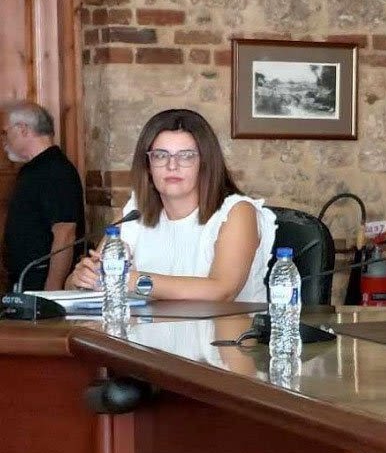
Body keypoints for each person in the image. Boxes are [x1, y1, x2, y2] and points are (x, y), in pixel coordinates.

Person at [67, 108, 276, 302]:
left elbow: (222, 290)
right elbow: (87, 279)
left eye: (186, 156)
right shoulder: (136, 212)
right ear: (148, 166)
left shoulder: (237, 211)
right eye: (160, 155)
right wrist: (80, 280)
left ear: (205, 163)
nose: (172, 165)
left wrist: (135, 281)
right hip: (149, 329)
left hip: (224, 329)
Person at [2, 101, 85, 291]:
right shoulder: (33, 170)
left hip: (41, 286)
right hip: (24, 282)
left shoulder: (56, 171)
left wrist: (52, 290)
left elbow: (65, 234)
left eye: (5, 132)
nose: (3, 140)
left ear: (23, 129)